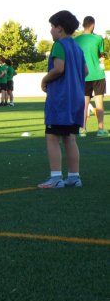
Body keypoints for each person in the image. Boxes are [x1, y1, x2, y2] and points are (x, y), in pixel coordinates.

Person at [38, 10, 87, 188]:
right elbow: (86, 72)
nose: (50, 30)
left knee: (52, 136)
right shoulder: (77, 47)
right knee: (70, 137)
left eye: (51, 27)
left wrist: (44, 80)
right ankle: (74, 177)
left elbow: (59, 68)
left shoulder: (59, 45)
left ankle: (56, 178)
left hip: (60, 99)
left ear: (59, 28)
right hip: (76, 99)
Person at [74, 16, 107, 137]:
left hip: (83, 76)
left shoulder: (76, 40)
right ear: (93, 25)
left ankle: (82, 129)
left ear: (83, 25)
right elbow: (101, 57)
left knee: (84, 104)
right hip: (98, 75)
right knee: (99, 103)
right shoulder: (98, 39)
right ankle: (101, 130)